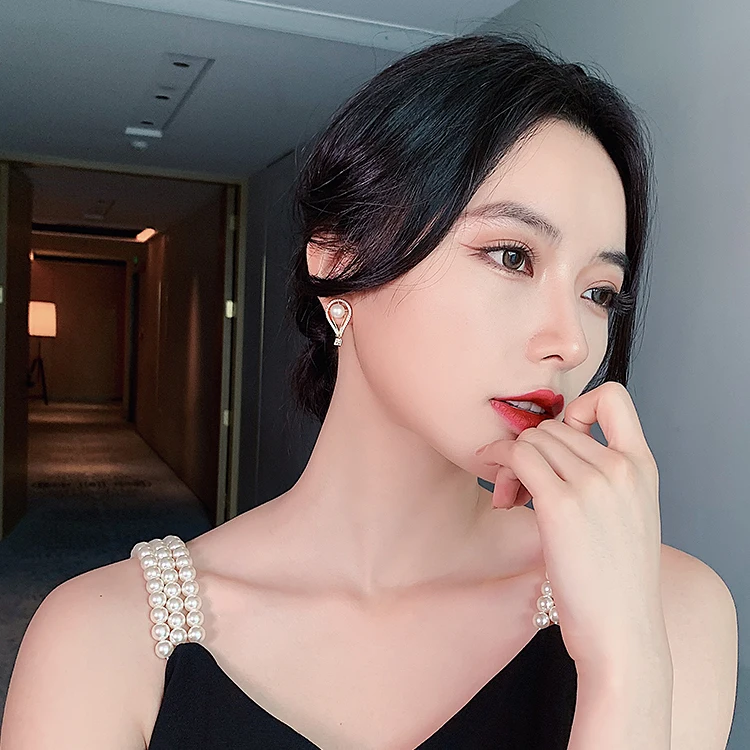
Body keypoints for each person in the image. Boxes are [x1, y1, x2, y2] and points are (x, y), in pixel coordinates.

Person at [0, 33, 738, 750]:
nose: (571, 342)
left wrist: (623, 663)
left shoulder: (668, 608)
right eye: (513, 256)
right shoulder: (99, 641)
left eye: (599, 292)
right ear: (337, 258)